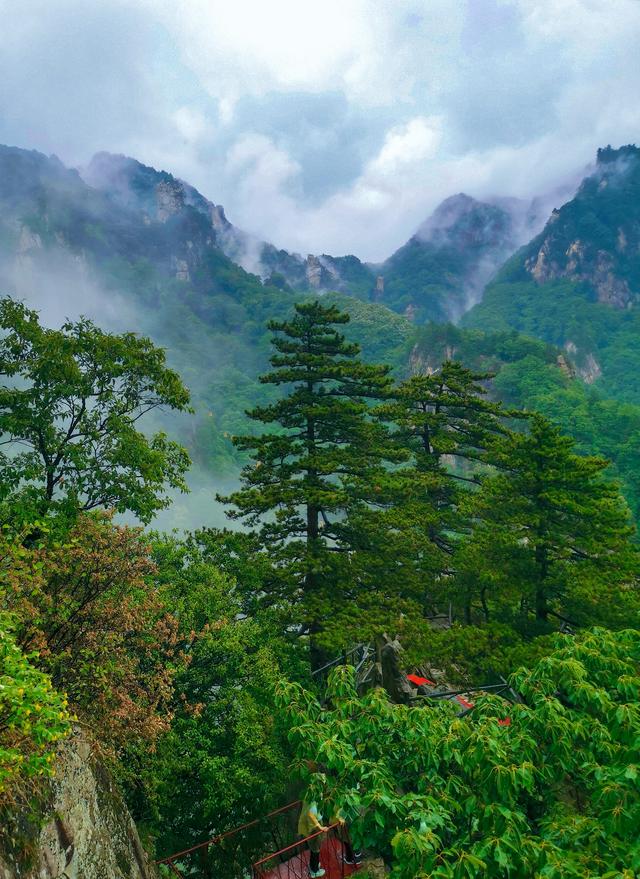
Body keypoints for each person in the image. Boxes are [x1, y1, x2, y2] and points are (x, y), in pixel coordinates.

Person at [298, 800, 328, 878]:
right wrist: (320, 826)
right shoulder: (312, 800)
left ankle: (313, 865)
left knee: (314, 848)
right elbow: (311, 814)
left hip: (310, 826)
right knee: (316, 848)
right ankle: (315, 871)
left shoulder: (309, 796)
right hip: (313, 827)